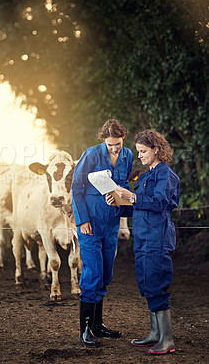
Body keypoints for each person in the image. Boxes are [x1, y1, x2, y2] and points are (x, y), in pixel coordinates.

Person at [106, 129, 180, 355]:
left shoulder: (166, 174)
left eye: (143, 151)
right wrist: (118, 203)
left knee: (157, 285)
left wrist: (132, 196)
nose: (139, 155)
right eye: (138, 151)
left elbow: (160, 204)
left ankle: (167, 339)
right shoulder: (147, 175)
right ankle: (155, 334)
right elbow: (140, 208)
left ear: (156, 149)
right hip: (143, 237)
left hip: (157, 238)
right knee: (147, 284)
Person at [71, 119, 134, 347]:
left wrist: (120, 200)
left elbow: (123, 186)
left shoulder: (128, 155)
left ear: (123, 138)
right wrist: (83, 221)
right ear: (103, 141)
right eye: (110, 145)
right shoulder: (90, 155)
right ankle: (85, 330)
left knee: (106, 273)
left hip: (111, 223)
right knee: (93, 273)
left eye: (117, 143)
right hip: (90, 223)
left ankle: (98, 325)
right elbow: (76, 189)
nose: (115, 148)